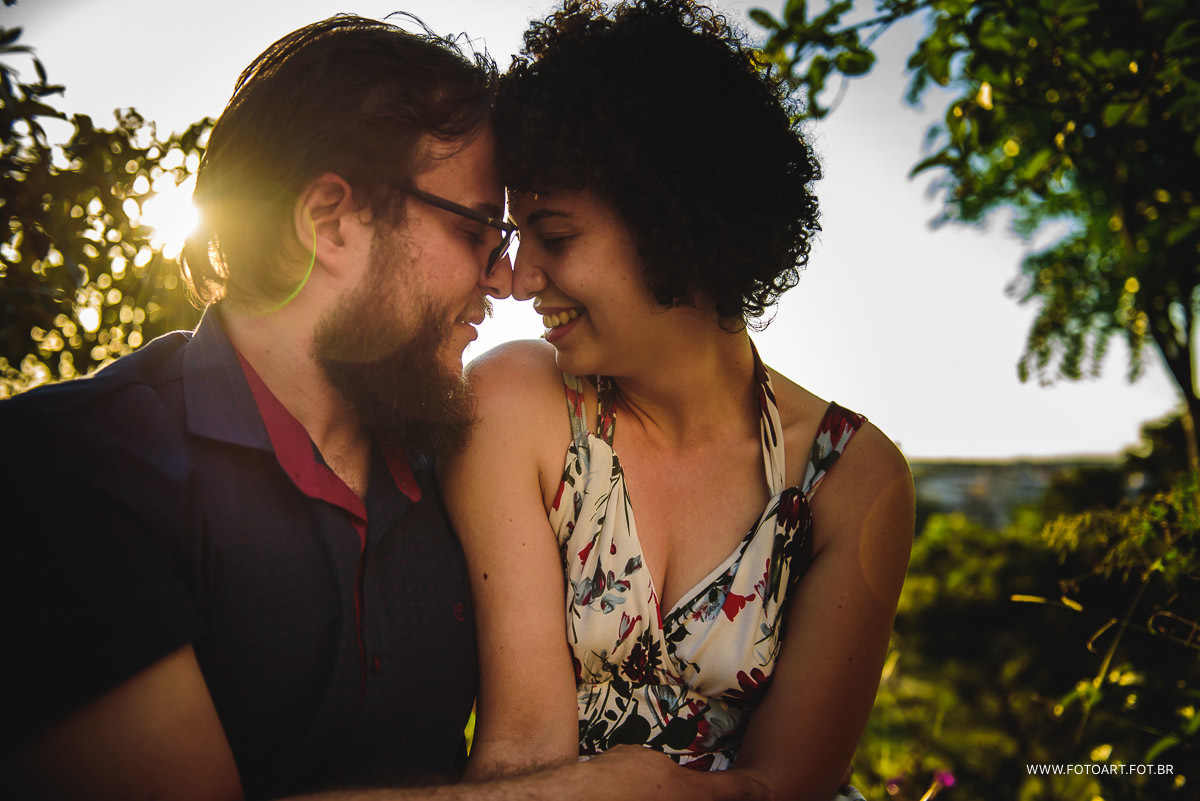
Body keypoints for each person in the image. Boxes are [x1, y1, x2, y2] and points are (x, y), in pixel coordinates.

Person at [0, 14, 766, 801]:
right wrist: (596, 790)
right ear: (331, 221)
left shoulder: (465, 461)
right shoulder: (71, 467)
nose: (505, 280)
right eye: (479, 230)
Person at [441, 2, 916, 800]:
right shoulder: (515, 401)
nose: (519, 280)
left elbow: (790, 785)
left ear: (675, 224)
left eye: (553, 238)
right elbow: (521, 751)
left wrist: (655, 786)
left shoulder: (854, 480)